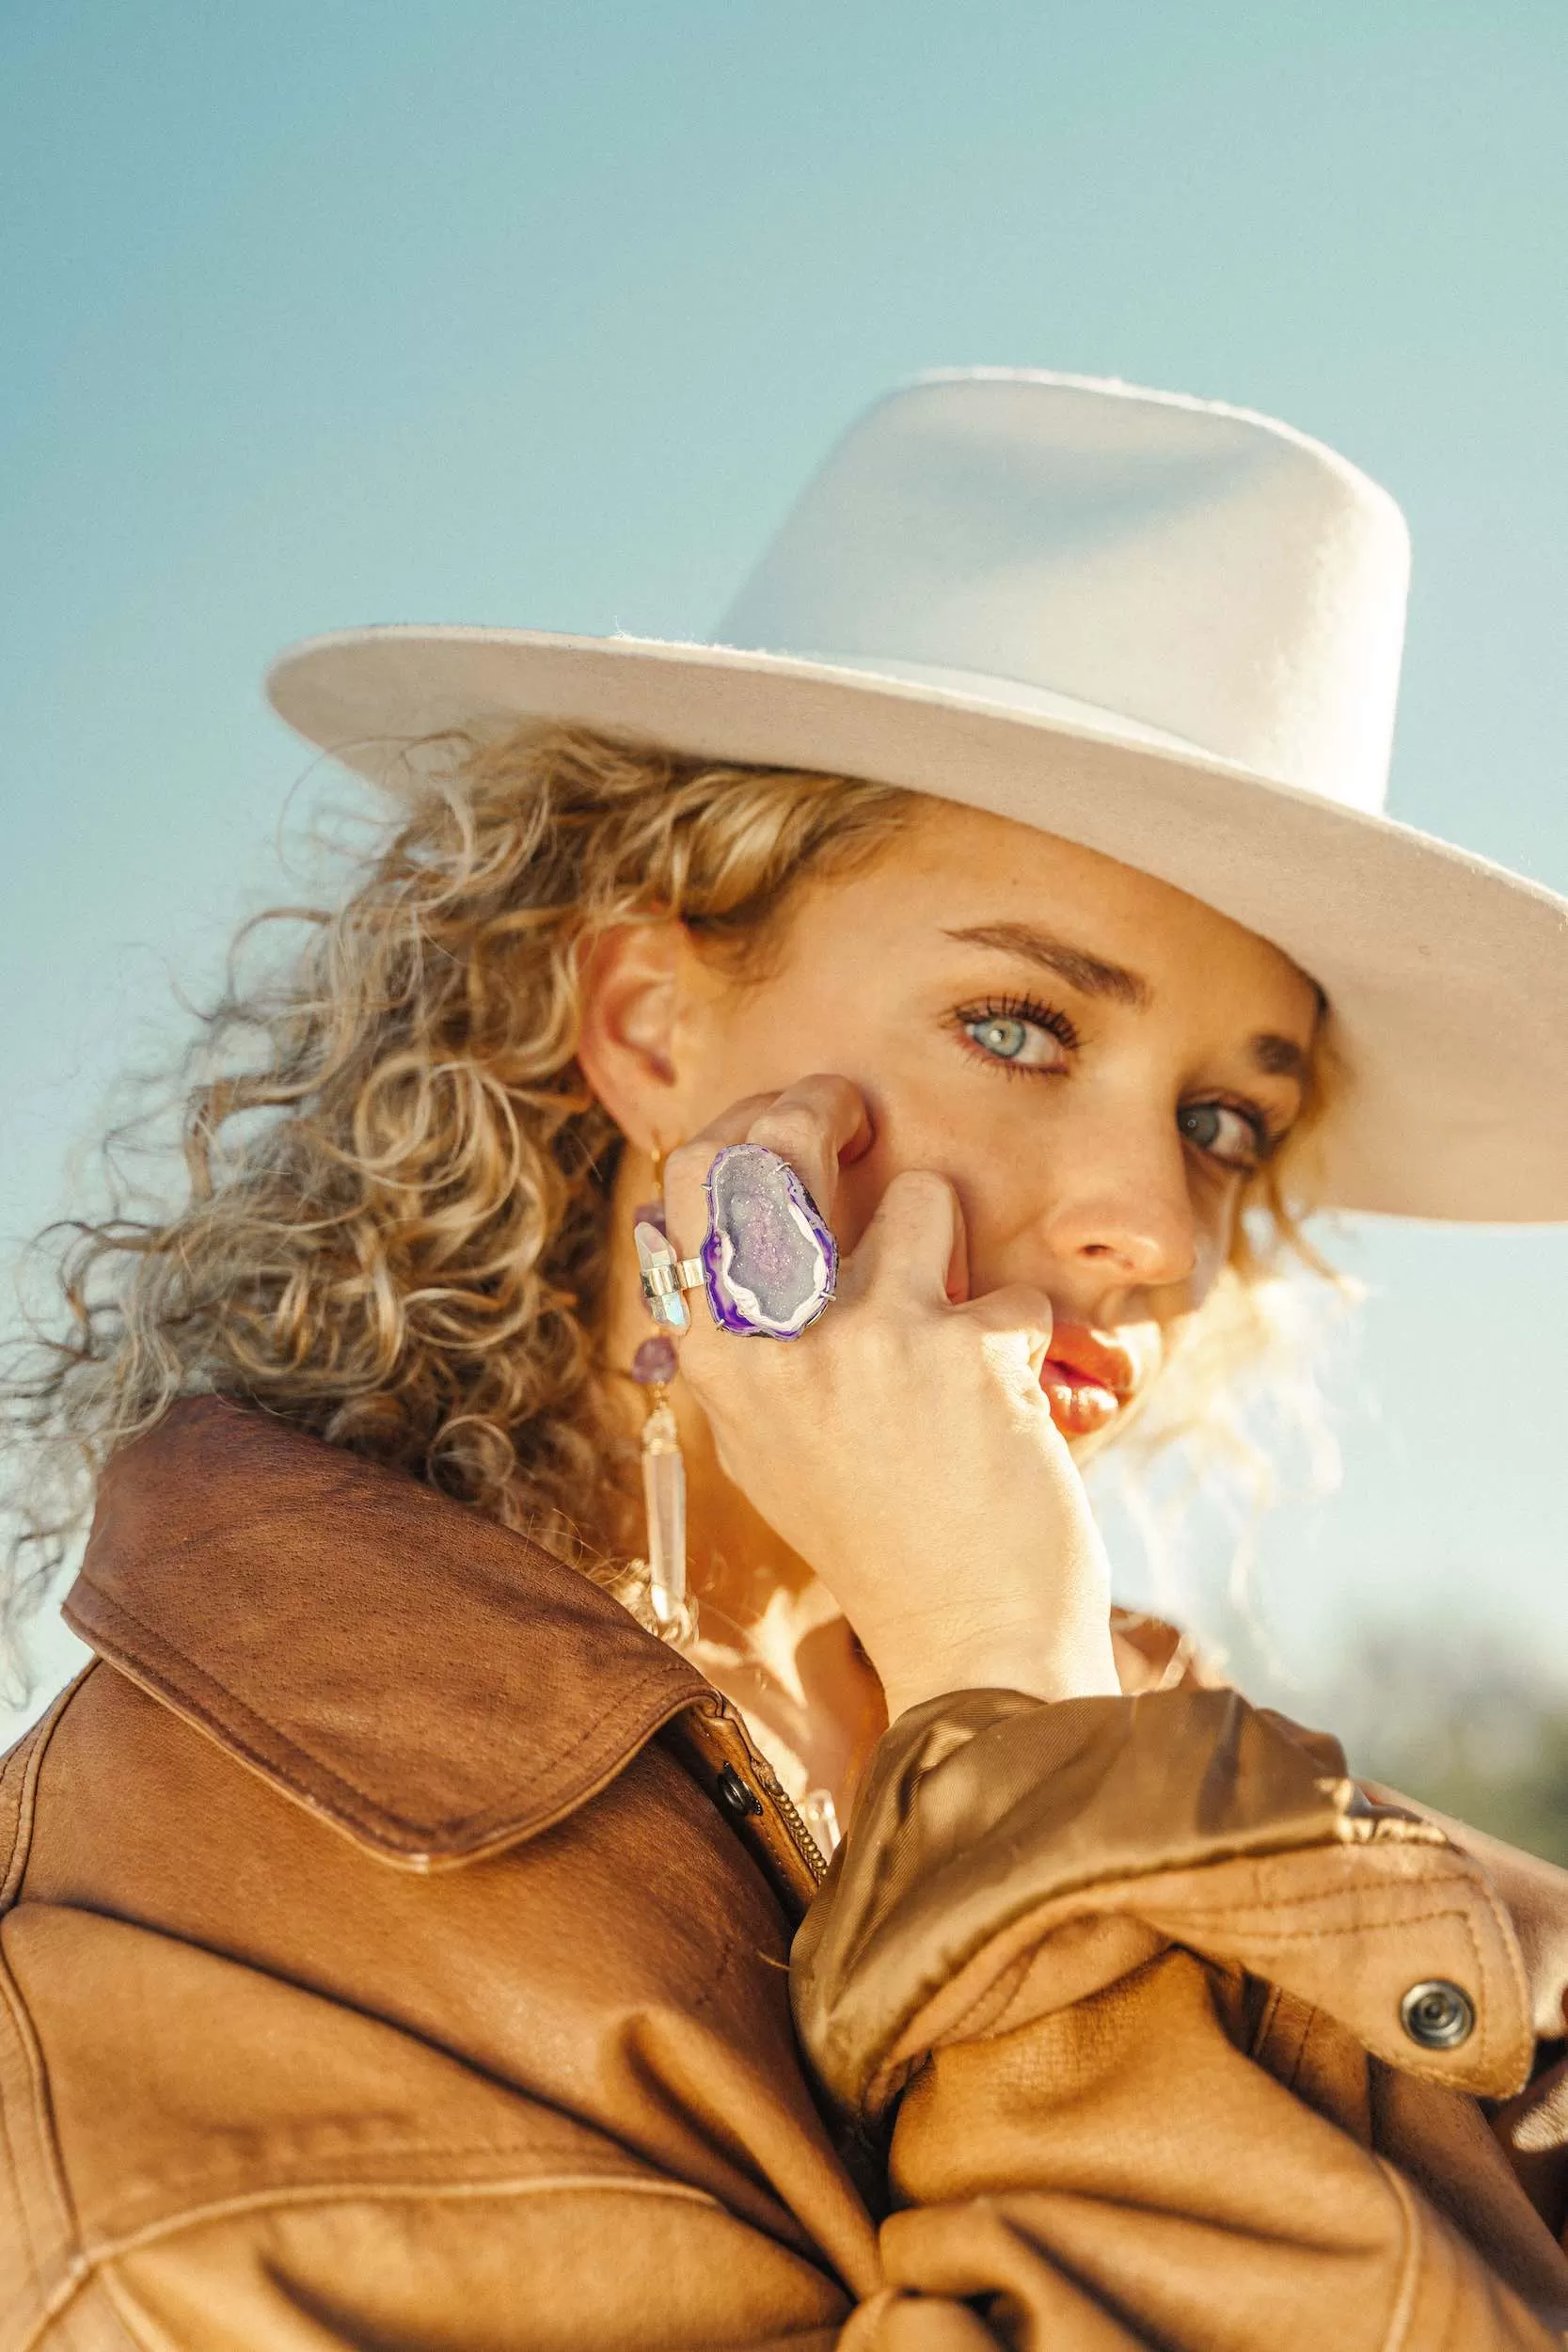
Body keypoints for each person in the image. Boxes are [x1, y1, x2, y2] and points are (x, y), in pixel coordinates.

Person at [3, 370, 1568, 2350]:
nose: (1154, 1231)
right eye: (1015, 1025)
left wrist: (1022, 1705)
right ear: (649, 1025)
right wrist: (1005, 1676)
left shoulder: (1198, 1763)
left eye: (1223, 1120)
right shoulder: (179, 1962)